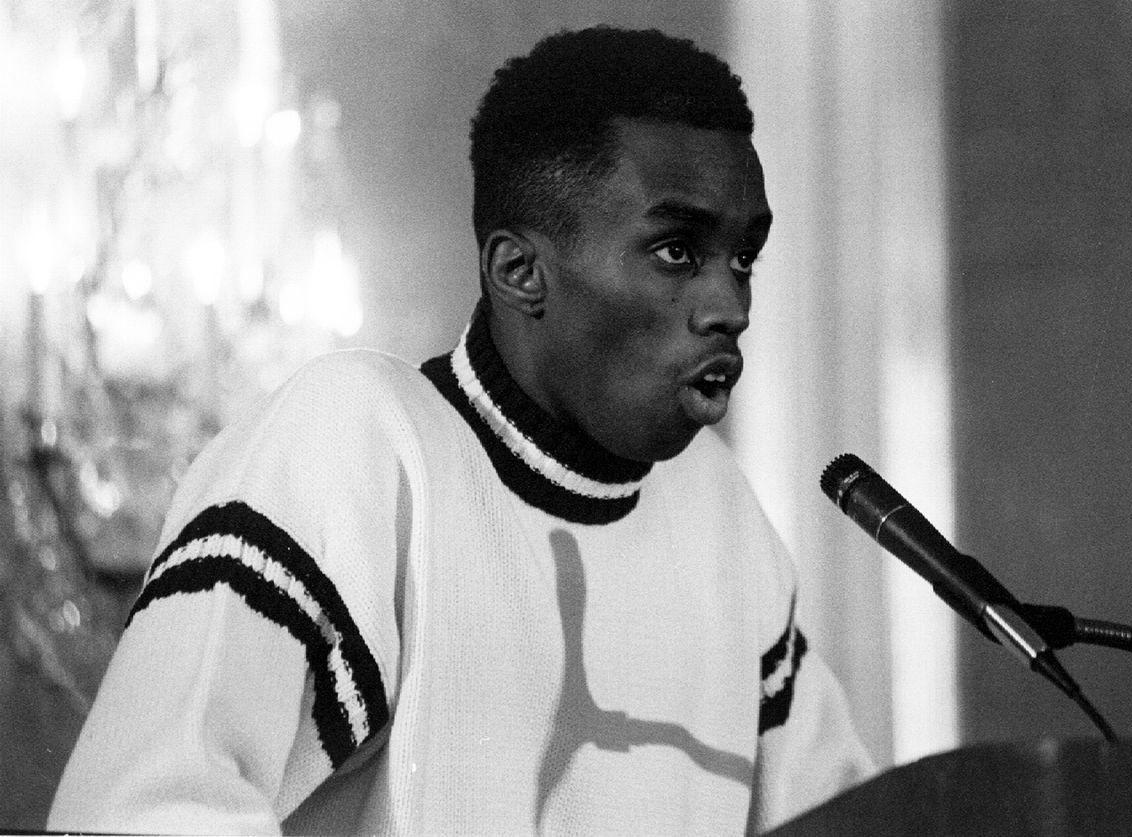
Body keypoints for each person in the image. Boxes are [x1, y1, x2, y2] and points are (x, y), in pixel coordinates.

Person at [48, 26, 874, 835]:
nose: (731, 306)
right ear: (521, 273)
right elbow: (143, 808)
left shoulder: (717, 514)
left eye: (743, 258)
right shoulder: (366, 443)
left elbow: (856, 812)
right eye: (675, 251)